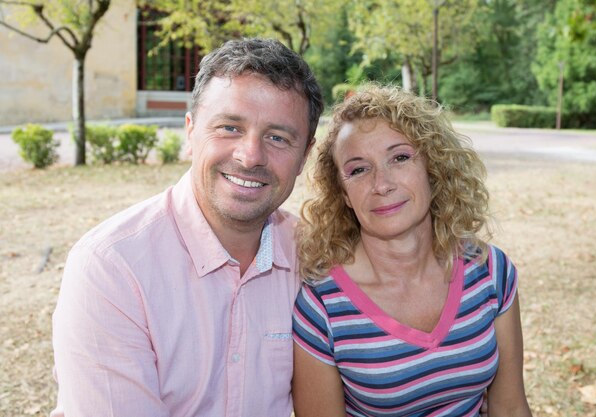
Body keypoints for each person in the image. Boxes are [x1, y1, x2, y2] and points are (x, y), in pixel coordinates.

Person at [50, 38, 323, 417]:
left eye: (277, 138)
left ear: (304, 156)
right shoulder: (111, 268)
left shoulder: (311, 256)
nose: (250, 156)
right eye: (229, 127)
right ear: (190, 132)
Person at [292, 84, 532, 417]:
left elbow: (511, 407)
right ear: (344, 194)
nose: (382, 184)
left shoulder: (490, 271)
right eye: (359, 169)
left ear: (431, 169)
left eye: (400, 157)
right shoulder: (322, 307)